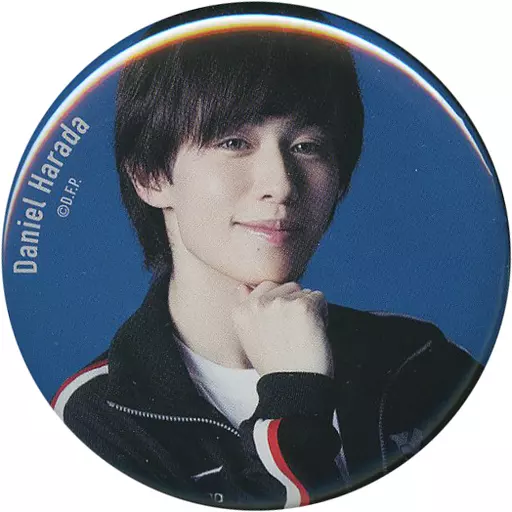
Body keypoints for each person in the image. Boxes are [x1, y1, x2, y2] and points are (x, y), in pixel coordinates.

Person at [51, 29, 482, 509]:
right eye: (235, 142)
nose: (281, 184)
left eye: (307, 146)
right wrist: (295, 395)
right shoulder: (96, 415)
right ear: (150, 176)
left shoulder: (422, 362)